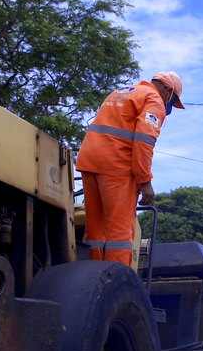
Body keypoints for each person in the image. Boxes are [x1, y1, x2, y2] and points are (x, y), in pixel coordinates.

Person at [75, 71, 184, 266]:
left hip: (89, 160)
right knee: (120, 232)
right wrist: (145, 181)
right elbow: (143, 142)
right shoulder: (153, 99)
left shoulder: (122, 91)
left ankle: (89, 276)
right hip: (116, 165)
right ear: (167, 91)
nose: (169, 108)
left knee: (95, 229)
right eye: (173, 101)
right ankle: (116, 283)